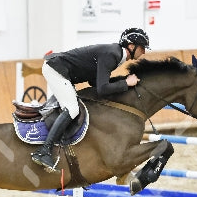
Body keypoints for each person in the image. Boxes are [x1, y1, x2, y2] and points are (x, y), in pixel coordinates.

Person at [30, 27, 150, 171]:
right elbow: (102, 89)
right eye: (142, 48)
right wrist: (125, 83)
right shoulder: (113, 54)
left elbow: (95, 82)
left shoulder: (115, 53)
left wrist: (124, 82)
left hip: (60, 70)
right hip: (55, 69)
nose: (144, 52)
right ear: (131, 46)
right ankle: (44, 151)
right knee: (72, 109)